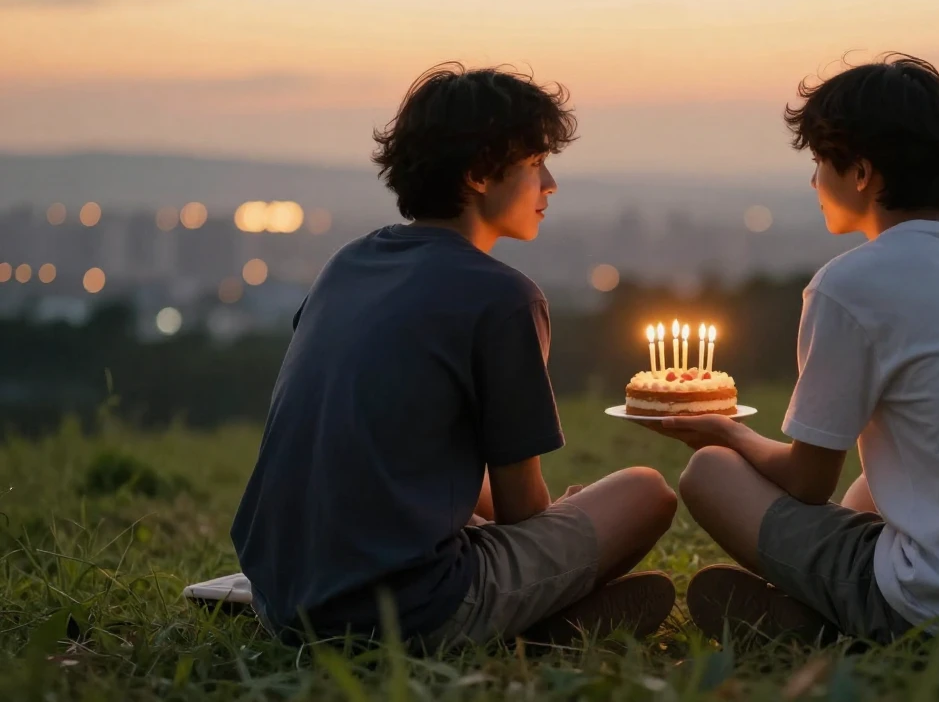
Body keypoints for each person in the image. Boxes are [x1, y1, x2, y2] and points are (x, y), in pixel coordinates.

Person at [646, 54, 939, 643]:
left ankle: (838, 624)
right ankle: (819, 616)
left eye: (821, 161)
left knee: (709, 474)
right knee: (869, 490)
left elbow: (807, 483)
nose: (814, 180)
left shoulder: (850, 284)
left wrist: (728, 432)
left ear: (862, 174)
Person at [230, 63, 679, 650]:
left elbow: (400, 450)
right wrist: (558, 520)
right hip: (410, 611)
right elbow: (520, 508)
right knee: (647, 491)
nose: (550, 184)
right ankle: (540, 627)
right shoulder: (502, 296)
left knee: (506, 517)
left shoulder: (347, 264)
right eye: (535, 164)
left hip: (280, 597)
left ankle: (545, 619)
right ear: (478, 173)